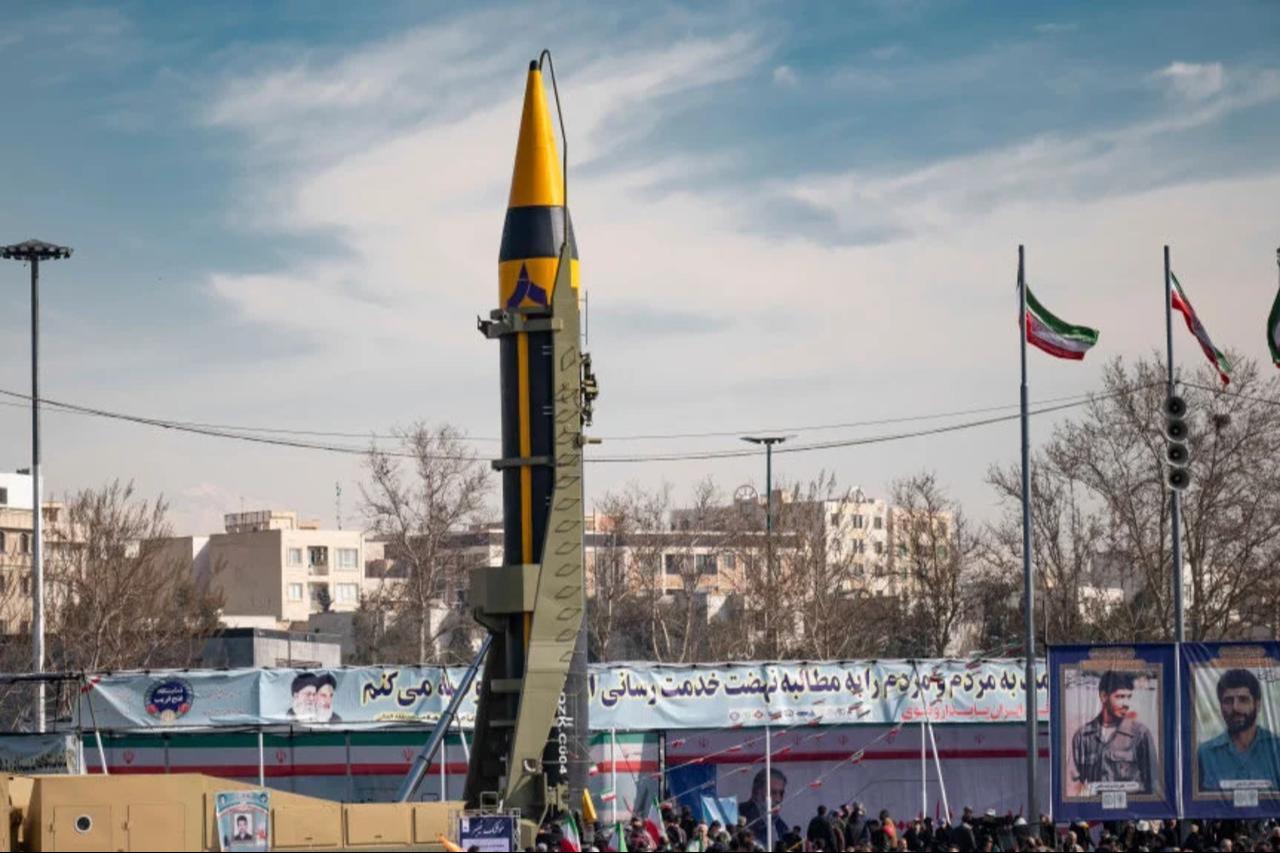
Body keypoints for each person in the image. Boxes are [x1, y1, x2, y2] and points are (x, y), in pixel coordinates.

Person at [1070, 670, 1157, 795]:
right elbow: (1072, 785)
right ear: (1104, 696)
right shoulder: (1083, 737)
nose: (1126, 704)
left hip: (1131, 813)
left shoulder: (1140, 735)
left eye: (1129, 697)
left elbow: (1153, 785)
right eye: (1120, 697)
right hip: (1095, 812)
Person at [1197, 668, 1280, 792]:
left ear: (1257, 705)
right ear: (1220, 706)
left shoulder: (1277, 749)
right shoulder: (1205, 754)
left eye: (1243, 699)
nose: (1235, 708)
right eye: (1228, 701)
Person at [737, 767, 787, 845]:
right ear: (757, 792)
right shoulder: (740, 815)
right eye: (773, 793)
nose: (778, 799)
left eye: (781, 793)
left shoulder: (782, 827)